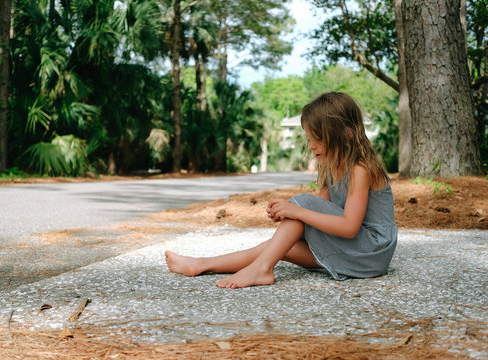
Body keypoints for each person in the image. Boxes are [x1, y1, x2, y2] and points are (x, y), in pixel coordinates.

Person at [165, 92, 397, 289]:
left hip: (371, 252)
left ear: (345, 135)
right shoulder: (333, 168)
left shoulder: (361, 169)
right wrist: (291, 216)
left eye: (317, 139)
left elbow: (348, 227)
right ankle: (202, 264)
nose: (311, 146)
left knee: (300, 207)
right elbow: (321, 213)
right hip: (357, 255)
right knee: (280, 246)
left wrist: (296, 211)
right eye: (309, 138)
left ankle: (262, 269)